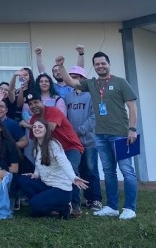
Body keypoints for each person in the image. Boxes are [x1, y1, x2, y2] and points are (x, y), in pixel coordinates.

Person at [55, 51, 139, 220]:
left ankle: (130, 208)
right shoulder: (91, 84)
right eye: (97, 64)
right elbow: (70, 81)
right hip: (100, 135)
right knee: (108, 172)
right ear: (94, 67)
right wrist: (61, 66)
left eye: (103, 63)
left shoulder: (120, 82)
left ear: (108, 64)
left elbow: (132, 107)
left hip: (122, 134)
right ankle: (112, 207)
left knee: (127, 170)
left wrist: (132, 129)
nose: (100, 66)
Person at [19, 118, 88, 219]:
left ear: (46, 130)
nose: (36, 129)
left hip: (62, 189)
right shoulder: (36, 146)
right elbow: (39, 164)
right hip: (47, 185)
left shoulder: (53, 144)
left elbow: (64, 162)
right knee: (23, 180)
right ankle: (45, 207)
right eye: (34, 127)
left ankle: (64, 207)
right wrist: (36, 174)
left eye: (40, 127)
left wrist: (73, 177)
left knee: (34, 204)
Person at [64, 64, 103, 215]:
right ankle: (83, 199)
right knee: (77, 171)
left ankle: (96, 199)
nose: (74, 79)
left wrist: (79, 131)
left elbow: (95, 117)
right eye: (72, 77)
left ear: (83, 79)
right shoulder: (67, 97)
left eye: (76, 77)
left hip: (89, 140)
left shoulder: (92, 95)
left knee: (92, 170)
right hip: (73, 142)